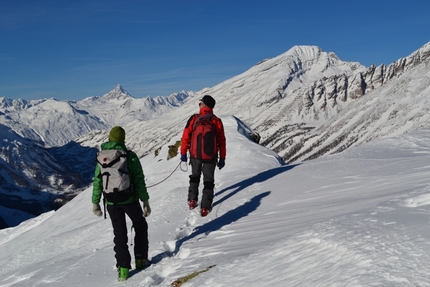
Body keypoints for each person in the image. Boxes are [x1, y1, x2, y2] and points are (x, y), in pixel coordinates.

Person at [92, 126, 151, 281]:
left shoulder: (102, 157)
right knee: (140, 225)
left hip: (111, 202)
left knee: (119, 234)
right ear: (123, 140)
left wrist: (95, 203)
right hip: (129, 200)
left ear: (110, 138)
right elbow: (139, 180)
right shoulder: (129, 156)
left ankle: (123, 270)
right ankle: (140, 259)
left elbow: (98, 181)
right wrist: (145, 201)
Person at [180, 95, 226, 217]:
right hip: (210, 157)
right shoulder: (216, 121)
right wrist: (222, 157)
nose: (199, 104)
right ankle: (205, 207)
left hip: (195, 155)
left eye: (200, 103)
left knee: (194, 177)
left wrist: (183, 153)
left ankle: (192, 200)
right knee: (208, 181)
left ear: (204, 105)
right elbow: (222, 141)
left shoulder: (195, 118)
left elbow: (186, 136)